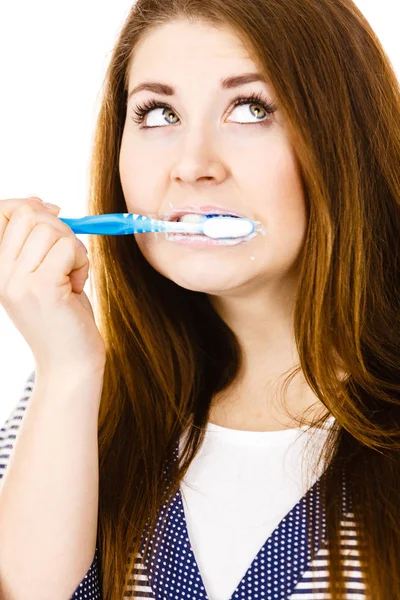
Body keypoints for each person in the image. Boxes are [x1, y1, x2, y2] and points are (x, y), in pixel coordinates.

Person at [1, 0, 399, 598]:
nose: (191, 166)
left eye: (250, 108)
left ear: (346, 137)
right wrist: (68, 371)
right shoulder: (69, 399)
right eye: (158, 113)